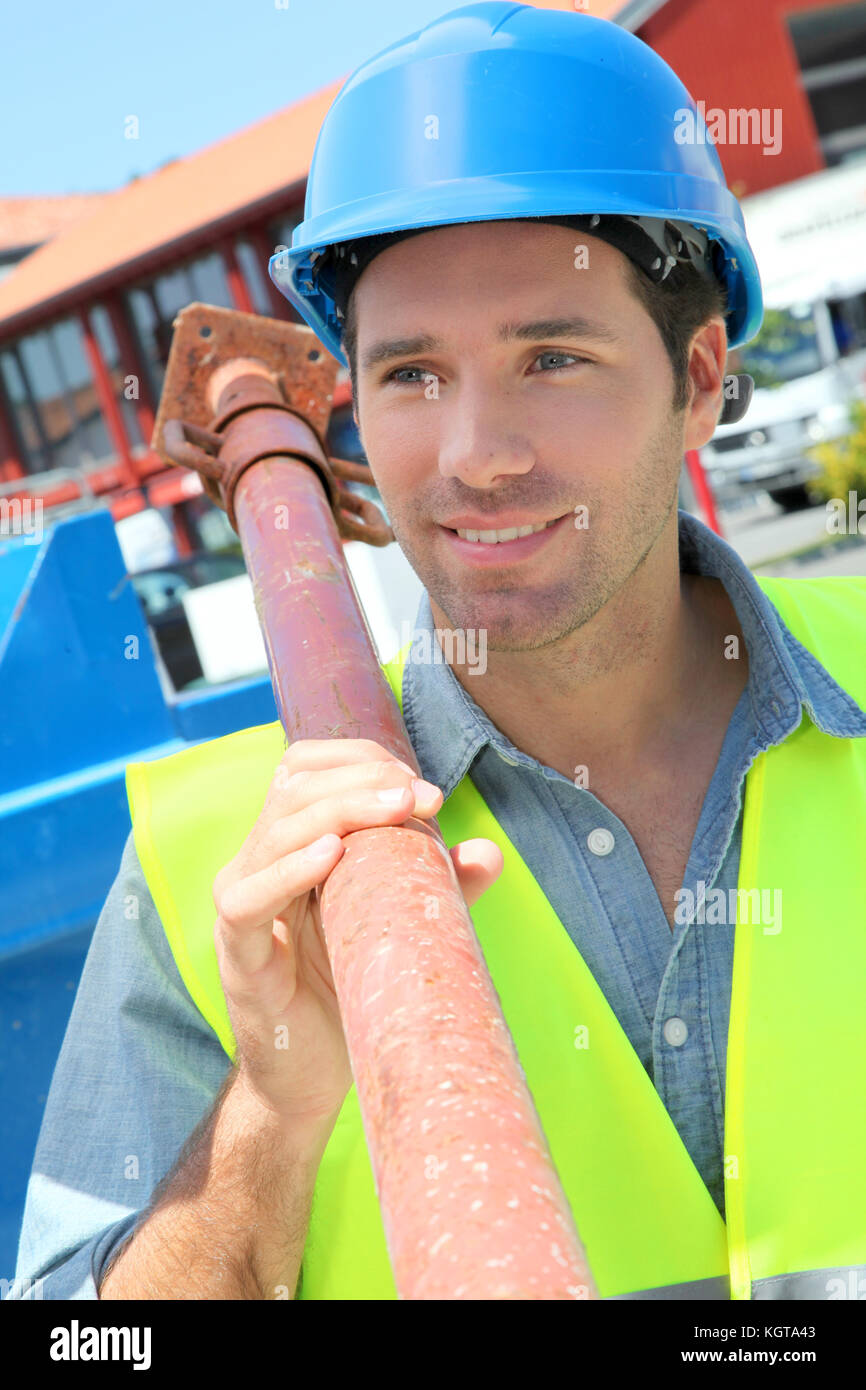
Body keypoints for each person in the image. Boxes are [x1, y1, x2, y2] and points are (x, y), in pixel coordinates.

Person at [9, 2, 866, 1303]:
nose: (473, 454)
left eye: (551, 356)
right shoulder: (219, 875)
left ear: (698, 376)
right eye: (410, 376)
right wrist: (269, 1116)